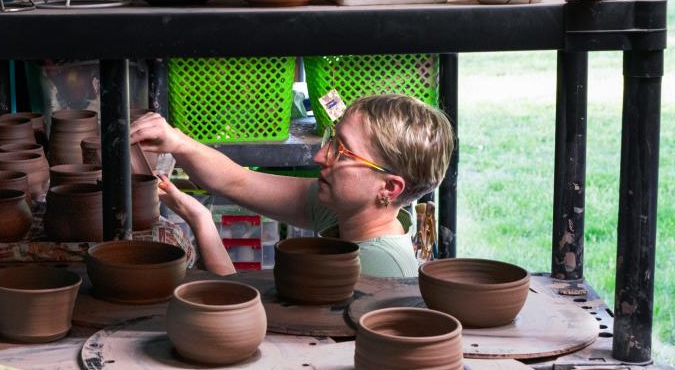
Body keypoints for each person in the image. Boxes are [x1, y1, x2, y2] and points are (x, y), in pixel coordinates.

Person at [131, 94, 455, 278]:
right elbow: (238, 181)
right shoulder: (350, 213)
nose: (319, 156)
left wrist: (201, 221)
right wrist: (177, 141)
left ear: (389, 188)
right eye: (332, 139)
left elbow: (238, 314)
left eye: (341, 151)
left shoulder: (377, 269)